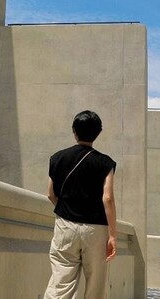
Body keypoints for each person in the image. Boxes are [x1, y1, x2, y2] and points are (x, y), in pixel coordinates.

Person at [44, 110, 117, 299]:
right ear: (98, 133)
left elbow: (51, 194)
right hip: (96, 229)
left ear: (74, 131)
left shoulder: (57, 158)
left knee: (61, 282)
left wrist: (68, 210)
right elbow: (107, 198)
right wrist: (112, 235)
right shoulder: (105, 163)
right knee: (96, 283)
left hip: (65, 225)